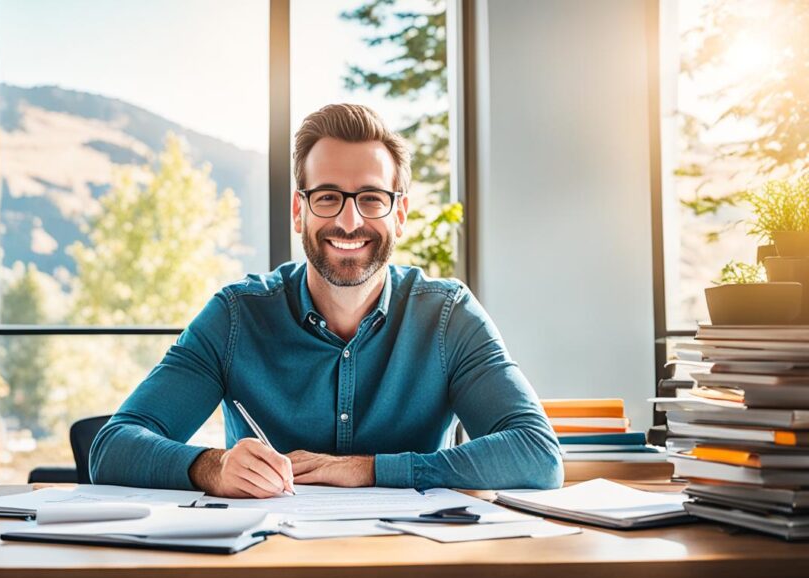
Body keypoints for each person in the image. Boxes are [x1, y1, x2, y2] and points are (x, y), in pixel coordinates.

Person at [90, 104, 562, 498]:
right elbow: (112, 447)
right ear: (299, 211)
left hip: (410, 566)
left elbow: (538, 455)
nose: (350, 221)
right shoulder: (237, 316)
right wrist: (211, 468)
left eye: (372, 198)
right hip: (266, 566)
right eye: (328, 197)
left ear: (399, 215)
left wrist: (371, 469)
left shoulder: (448, 316)